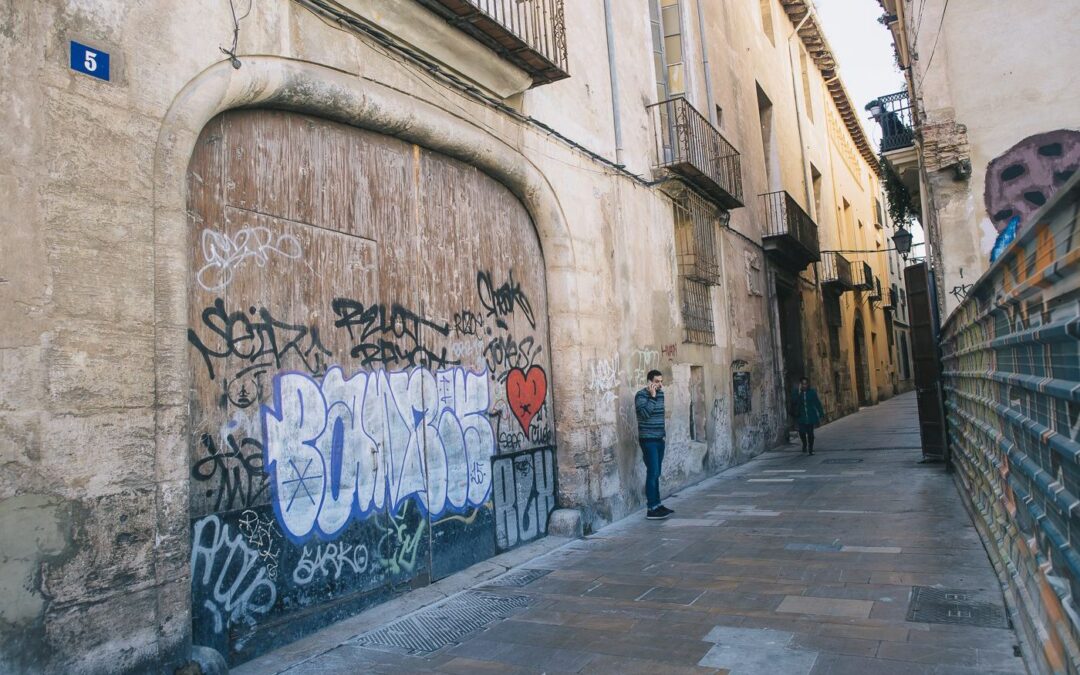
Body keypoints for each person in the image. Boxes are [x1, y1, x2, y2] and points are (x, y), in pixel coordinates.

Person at [635, 370, 674, 520]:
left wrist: (663, 435)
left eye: (661, 381)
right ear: (649, 382)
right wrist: (652, 397)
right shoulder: (640, 395)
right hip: (648, 440)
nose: (660, 385)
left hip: (659, 439)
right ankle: (651, 508)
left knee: (656, 473)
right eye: (657, 381)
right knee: (653, 472)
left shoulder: (661, 394)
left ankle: (658, 504)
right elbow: (644, 414)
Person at [791, 377, 825, 455]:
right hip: (801, 416)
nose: (804, 385)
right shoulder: (796, 392)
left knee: (810, 434)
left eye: (805, 384)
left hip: (810, 416)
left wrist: (821, 413)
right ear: (800, 385)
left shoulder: (812, 392)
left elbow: (817, 403)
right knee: (802, 432)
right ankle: (804, 444)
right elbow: (794, 402)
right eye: (803, 384)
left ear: (808, 384)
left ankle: (810, 449)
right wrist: (799, 393)